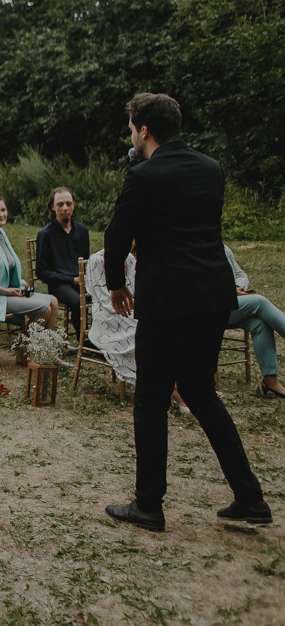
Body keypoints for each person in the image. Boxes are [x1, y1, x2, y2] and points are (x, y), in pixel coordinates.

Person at [103, 92, 270, 531]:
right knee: (200, 390)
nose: (131, 136)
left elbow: (117, 236)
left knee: (152, 398)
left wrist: (117, 285)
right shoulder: (211, 168)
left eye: (131, 129)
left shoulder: (144, 174)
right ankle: (250, 497)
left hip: (167, 299)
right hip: (212, 295)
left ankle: (148, 505)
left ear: (144, 130)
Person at [0, 194, 58, 331]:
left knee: (53, 301)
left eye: (3, 210)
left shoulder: (0, 233)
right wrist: (6, 291)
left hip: (6, 293)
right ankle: (24, 350)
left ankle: (48, 349)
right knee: (44, 309)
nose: (1, 214)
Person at [224, 244, 285, 398]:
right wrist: (230, 291)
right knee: (259, 302)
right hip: (209, 308)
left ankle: (270, 381)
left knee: (259, 323)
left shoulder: (221, 246)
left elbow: (239, 273)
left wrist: (239, 287)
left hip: (232, 305)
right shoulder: (193, 247)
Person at [35, 187, 91, 336]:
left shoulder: (82, 231)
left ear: (73, 205)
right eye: (60, 204)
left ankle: (101, 338)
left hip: (81, 281)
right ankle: (83, 341)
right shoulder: (45, 235)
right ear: (53, 207)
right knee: (79, 302)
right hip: (59, 285)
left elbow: (87, 261)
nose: (65, 208)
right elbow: (41, 271)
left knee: (103, 297)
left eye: (68, 203)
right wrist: (71, 279)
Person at [85, 248, 138, 385]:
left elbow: (134, 289)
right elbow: (102, 297)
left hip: (129, 306)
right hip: (105, 312)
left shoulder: (130, 258)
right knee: (138, 329)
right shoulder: (96, 260)